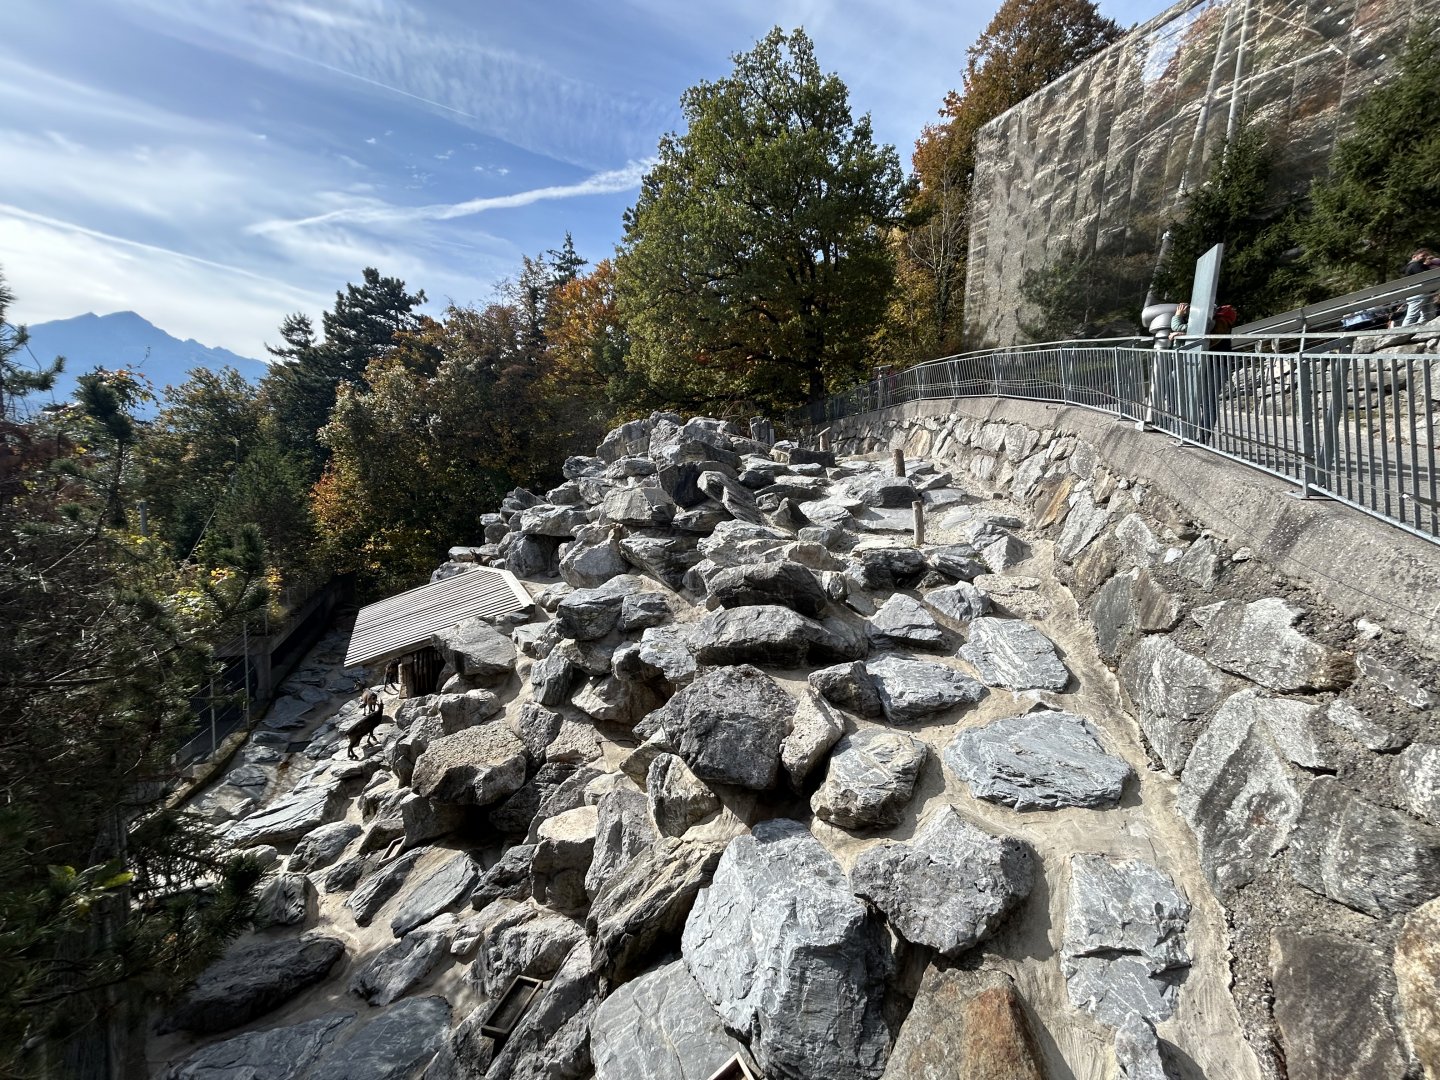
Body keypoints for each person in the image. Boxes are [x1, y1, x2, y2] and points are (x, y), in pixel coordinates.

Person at [1401, 249, 1437, 327]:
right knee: (1412, 315)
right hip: (1417, 293)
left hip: (1425, 292)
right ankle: (1402, 332)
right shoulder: (1414, 265)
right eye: (1423, 256)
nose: (1425, 257)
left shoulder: (1419, 265)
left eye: (1427, 255)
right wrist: (1426, 264)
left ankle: (1420, 330)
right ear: (1414, 257)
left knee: (1428, 314)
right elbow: (1423, 276)